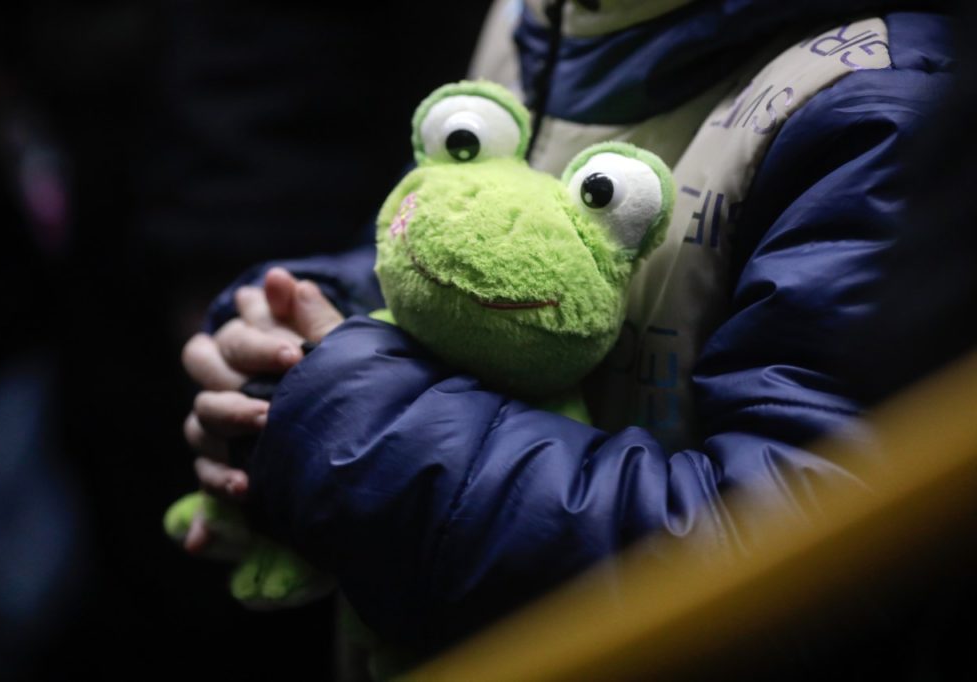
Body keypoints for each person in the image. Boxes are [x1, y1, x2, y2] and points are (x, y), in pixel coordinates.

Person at [180, 0, 957, 661]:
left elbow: (805, 561)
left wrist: (354, 417)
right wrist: (298, 329)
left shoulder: (891, 108)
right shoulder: (540, 14)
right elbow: (490, 241)